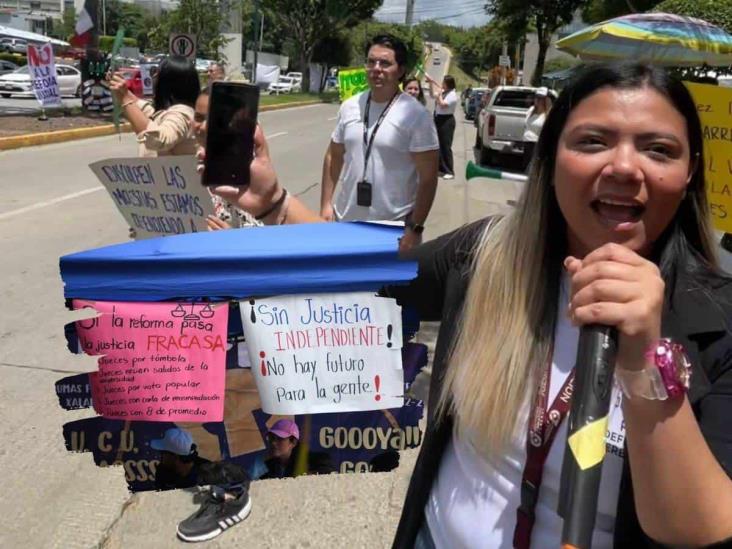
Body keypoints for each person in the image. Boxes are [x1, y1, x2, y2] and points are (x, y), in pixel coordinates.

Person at [383, 62, 732, 548]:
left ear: (689, 170)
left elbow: (698, 527)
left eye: (658, 149)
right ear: (550, 158)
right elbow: (378, 287)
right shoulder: (484, 255)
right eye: (593, 141)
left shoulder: (721, 321)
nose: (625, 167)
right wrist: (273, 204)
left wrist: (646, 355)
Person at [319, 33, 439, 253]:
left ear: (401, 71)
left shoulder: (416, 115)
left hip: (393, 231)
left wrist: (415, 228)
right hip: (345, 222)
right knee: (345, 286)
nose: (376, 68)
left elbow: (428, 178)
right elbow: (333, 156)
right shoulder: (349, 106)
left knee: (384, 289)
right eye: (371, 61)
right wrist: (326, 205)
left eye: (385, 63)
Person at [151, 428, 252, 543]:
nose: (160, 456)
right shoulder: (163, 472)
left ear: (175, 457)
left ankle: (235, 504)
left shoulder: (210, 471)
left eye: (163, 453)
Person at [109, 55, 199, 158]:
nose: (154, 76)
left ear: (167, 81)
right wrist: (123, 93)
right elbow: (148, 113)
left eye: (157, 72)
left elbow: (159, 140)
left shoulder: (182, 113)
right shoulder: (176, 112)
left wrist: (125, 99)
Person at [259, 419, 335, 479]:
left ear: (293, 442)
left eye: (280, 438)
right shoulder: (268, 469)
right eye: (271, 438)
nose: (273, 442)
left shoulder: (315, 461)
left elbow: (329, 473)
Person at [425, 74, 458, 179]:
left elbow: (442, 105)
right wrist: (430, 83)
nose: (442, 84)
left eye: (444, 82)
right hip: (438, 119)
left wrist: (439, 95)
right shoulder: (444, 92)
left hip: (446, 121)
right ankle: (441, 169)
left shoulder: (452, 95)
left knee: (445, 146)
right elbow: (431, 95)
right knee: (438, 145)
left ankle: (449, 171)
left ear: (448, 84)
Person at [522, 86, 552, 171]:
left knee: (535, 170)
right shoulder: (530, 110)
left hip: (538, 145)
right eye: (536, 97)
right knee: (527, 169)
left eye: (541, 98)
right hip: (527, 143)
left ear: (546, 100)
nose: (537, 100)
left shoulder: (548, 114)